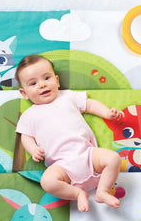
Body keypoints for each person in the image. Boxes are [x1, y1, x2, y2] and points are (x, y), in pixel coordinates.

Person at [15, 55, 122, 212]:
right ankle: (77, 193)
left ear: (57, 81)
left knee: (113, 158)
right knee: (47, 182)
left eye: (47, 78)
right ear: (24, 93)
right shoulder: (29, 115)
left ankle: (102, 191)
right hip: (61, 165)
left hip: (87, 153)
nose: (42, 85)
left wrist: (107, 113)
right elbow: (25, 136)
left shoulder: (68, 96)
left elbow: (89, 104)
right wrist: (33, 149)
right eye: (33, 83)